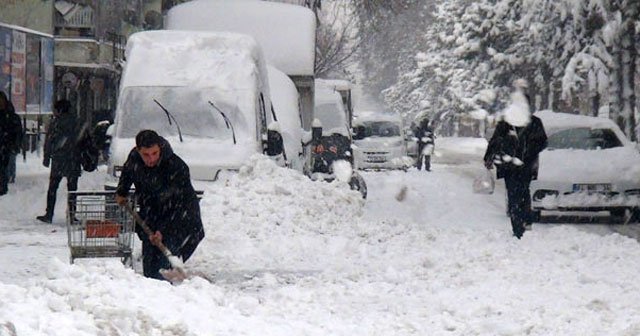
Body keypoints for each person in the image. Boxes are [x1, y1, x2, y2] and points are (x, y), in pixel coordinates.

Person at [114, 130, 205, 280]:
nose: (151, 159)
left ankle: (170, 286)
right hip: (150, 210)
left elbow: (178, 206)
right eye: (146, 155)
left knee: (164, 262)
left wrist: (162, 230)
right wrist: (121, 191)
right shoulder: (135, 158)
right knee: (150, 269)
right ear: (138, 150)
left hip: (179, 216)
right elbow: (128, 172)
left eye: (154, 153)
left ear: (160, 149)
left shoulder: (176, 167)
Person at [483, 89, 547, 239]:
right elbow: (496, 141)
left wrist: (527, 152)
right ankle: (520, 225)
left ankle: (522, 222)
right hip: (512, 165)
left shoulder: (532, 122)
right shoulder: (507, 123)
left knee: (520, 192)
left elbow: (542, 142)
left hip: (523, 165)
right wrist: (489, 157)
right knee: (517, 193)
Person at [37, 99, 81, 223]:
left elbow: (49, 141)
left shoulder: (56, 123)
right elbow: (83, 140)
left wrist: (47, 157)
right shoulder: (76, 122)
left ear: (59, 110)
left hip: (59, 160)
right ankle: (72, 214)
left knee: (53, 188)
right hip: (73, 159)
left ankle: (49, 213)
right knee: (72, 189)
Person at [0, 91, 23, 195]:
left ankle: (4, 185)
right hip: (6, 146)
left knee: (5, 167)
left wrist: (15, 145)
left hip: (7, 147)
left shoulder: (12, 117)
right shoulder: (11, 117)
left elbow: (18, 133)